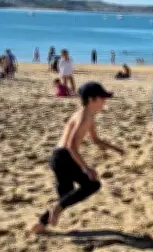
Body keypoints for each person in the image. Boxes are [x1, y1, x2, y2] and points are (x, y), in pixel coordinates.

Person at [31, 82, 124, 234]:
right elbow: (71, 146)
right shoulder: (84, 117)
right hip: (64, 156)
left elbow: (95, 140)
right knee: (92, 185)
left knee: (66, 195)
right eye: (103, 98)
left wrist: (116, 149)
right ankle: (55, 209)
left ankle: (39, 225)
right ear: (92, 99)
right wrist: (86, 168)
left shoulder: (88, 115)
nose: (105, 101)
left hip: (57, 157)